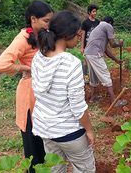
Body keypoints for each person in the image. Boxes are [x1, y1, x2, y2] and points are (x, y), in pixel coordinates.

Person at [31, 11, 96, 173]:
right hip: (69, 133)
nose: (79, 37)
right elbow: (78, 107)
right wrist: (89, 130)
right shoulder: (71, 63)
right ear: (67, 36)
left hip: (45, 130)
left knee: (55, 169)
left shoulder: (38, 56)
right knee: (84, 169)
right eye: (78, 34)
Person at [0, 0, 54, 172]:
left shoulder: (40, 35)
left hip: (42, 94)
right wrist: (26, 68)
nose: (49, 25)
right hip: (30, 97)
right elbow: (1, 64)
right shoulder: (23, 39)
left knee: (44, 143)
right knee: (33, 144)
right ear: (33, 19)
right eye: (46, 21)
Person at [84, 16, 127, 107]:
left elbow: (106, 49)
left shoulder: (98, 28)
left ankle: (92, 98)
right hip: (95, 54)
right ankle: (114, 101)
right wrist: (119, 44)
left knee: (94, 76)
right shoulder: (107, 26)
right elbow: (112, 44)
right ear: (110, 22)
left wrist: (116, 60)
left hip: (88, 53)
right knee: (105, 75)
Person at [80, 4, 100, 84]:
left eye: (95, 12)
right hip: (87, 44)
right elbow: (83, 35)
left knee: (96, 59)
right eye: (93, 12)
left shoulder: (98, 22)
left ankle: (94, 76)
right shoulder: (85, 23)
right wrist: (82, 47)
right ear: (89, 12)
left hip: (96, 44)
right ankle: (85, 76)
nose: (95, 13)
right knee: (86, 59)